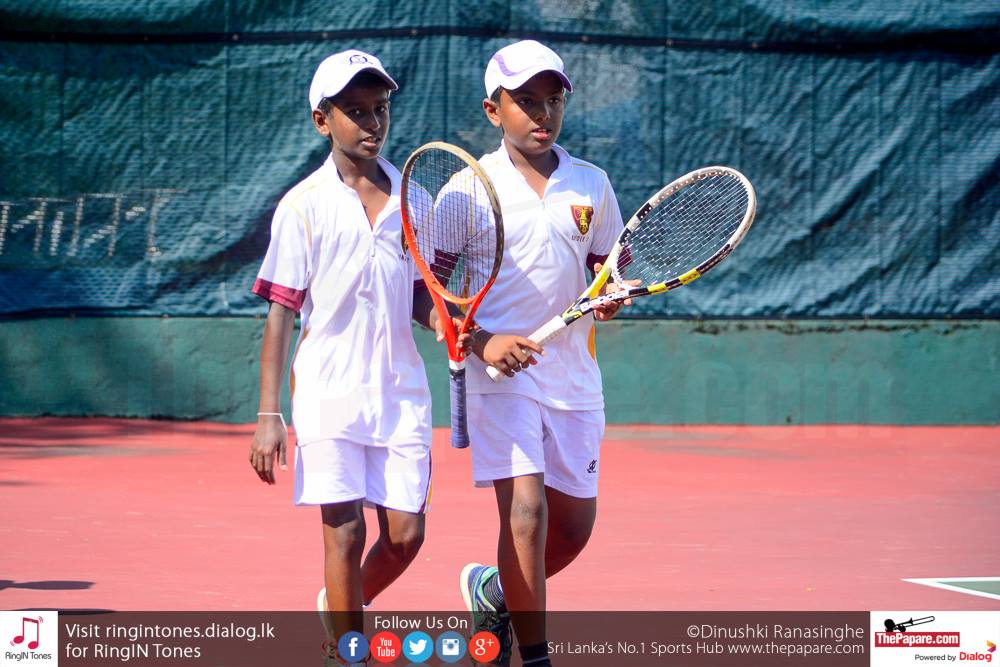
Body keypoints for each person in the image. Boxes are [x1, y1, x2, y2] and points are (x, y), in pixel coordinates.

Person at [247, 49, 458, 666]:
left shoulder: (414, 200)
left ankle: (343, 605)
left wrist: (442, 322)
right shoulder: (302, 206)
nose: (372, 122)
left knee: (406, 536)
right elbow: (281, 313)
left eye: (380, 108)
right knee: (344, 530)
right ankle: (347, 650)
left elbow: (420, 294)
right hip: (327, 391)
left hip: (400, 392)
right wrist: (268, 415)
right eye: (356, 111)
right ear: (323, 121)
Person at [459, 40, 628, 667]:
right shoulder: (468, 189)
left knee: (572, 530)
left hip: (574, 376)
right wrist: (483, 342)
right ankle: (534, 656)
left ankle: (494, 591)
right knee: (525, 512)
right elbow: (430, 291)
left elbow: (605, 270)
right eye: (525, 101)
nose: (542, 113)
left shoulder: (592, 184)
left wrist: (611, 296)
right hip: (499, 374)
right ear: (493, 110)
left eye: (553, 100)